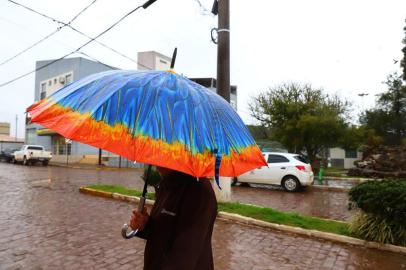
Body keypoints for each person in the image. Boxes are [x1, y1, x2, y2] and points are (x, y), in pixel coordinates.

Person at [130, 166, 218, 270]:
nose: (156, 165)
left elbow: (186, 252)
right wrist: (144, 225)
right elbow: (163, 230)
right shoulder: (167, 184)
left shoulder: (200, 191)